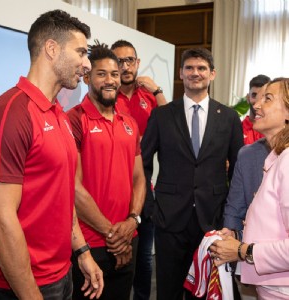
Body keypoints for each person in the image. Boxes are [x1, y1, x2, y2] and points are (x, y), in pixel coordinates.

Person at [0, 9, 103, 300]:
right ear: (52, 49)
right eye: (80, 52)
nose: (86, 63)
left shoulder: (59, 115)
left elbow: (62, 197)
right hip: (18, 286)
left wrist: (82, 251)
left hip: (61, 276)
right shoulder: (11, 112)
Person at [141, 47, 243, 300]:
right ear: (181, 73)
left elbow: (238, 171)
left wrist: (230, 217)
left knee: (206, 292)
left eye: (201, 68)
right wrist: (150, 207)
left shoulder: (229, 118)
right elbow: (142, 164)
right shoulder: (162, 115)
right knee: (168, 290)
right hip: (169, 219)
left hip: (212, 220)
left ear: (212, 74)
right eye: (189, 68)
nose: (195, 73)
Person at [67, 43, 146, 300]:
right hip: (90, 244)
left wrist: (133, 220)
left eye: (114, 74)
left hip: (127, 238)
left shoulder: (130, 123)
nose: (110, 80)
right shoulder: (74, 120)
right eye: (102, 74)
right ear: (87, 77)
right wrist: (112, 234)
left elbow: (139, 179)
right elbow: (74, 189)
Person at [210, 78, 289, 299]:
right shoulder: (276, 157)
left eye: (268, 98)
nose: (256, 105)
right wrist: (235, 234)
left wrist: (241, 251)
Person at [111, 39, 167, 300]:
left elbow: (172, 125)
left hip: (143, 179)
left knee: (144, 257)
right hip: (114, 181)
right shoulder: (109, 95)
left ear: (137, 63)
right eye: (119, 61)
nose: (125, 66)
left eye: (129, 60)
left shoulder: (148, 96)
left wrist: (157, 91)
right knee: (118, 251)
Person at [224, 82, 271, 231]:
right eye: (256, 97)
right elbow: (234, 210)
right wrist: (230, 237)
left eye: (267, 99)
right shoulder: (247, 155)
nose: (256, 105)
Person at [242, 74, 270, 145]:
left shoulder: (274, 130)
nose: (258, 102)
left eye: (262, 96)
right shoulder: (237, 128)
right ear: (248, 98)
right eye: (254, 95)